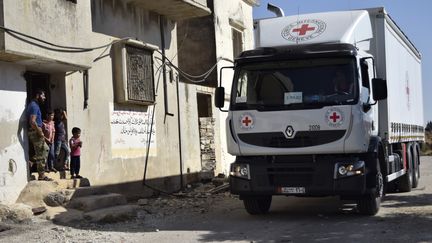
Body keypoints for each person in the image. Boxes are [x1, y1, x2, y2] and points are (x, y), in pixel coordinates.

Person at [27, 89, 52, 181]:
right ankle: (41, 175)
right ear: (38, 95)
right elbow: (32, 121)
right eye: (43, 95)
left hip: (35, 131)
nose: (44, 98)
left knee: (45, 149)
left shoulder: (34, 105)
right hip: (35, 131)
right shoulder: (34, 106)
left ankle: (31, 162)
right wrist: (39, 131)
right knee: (42, 151)